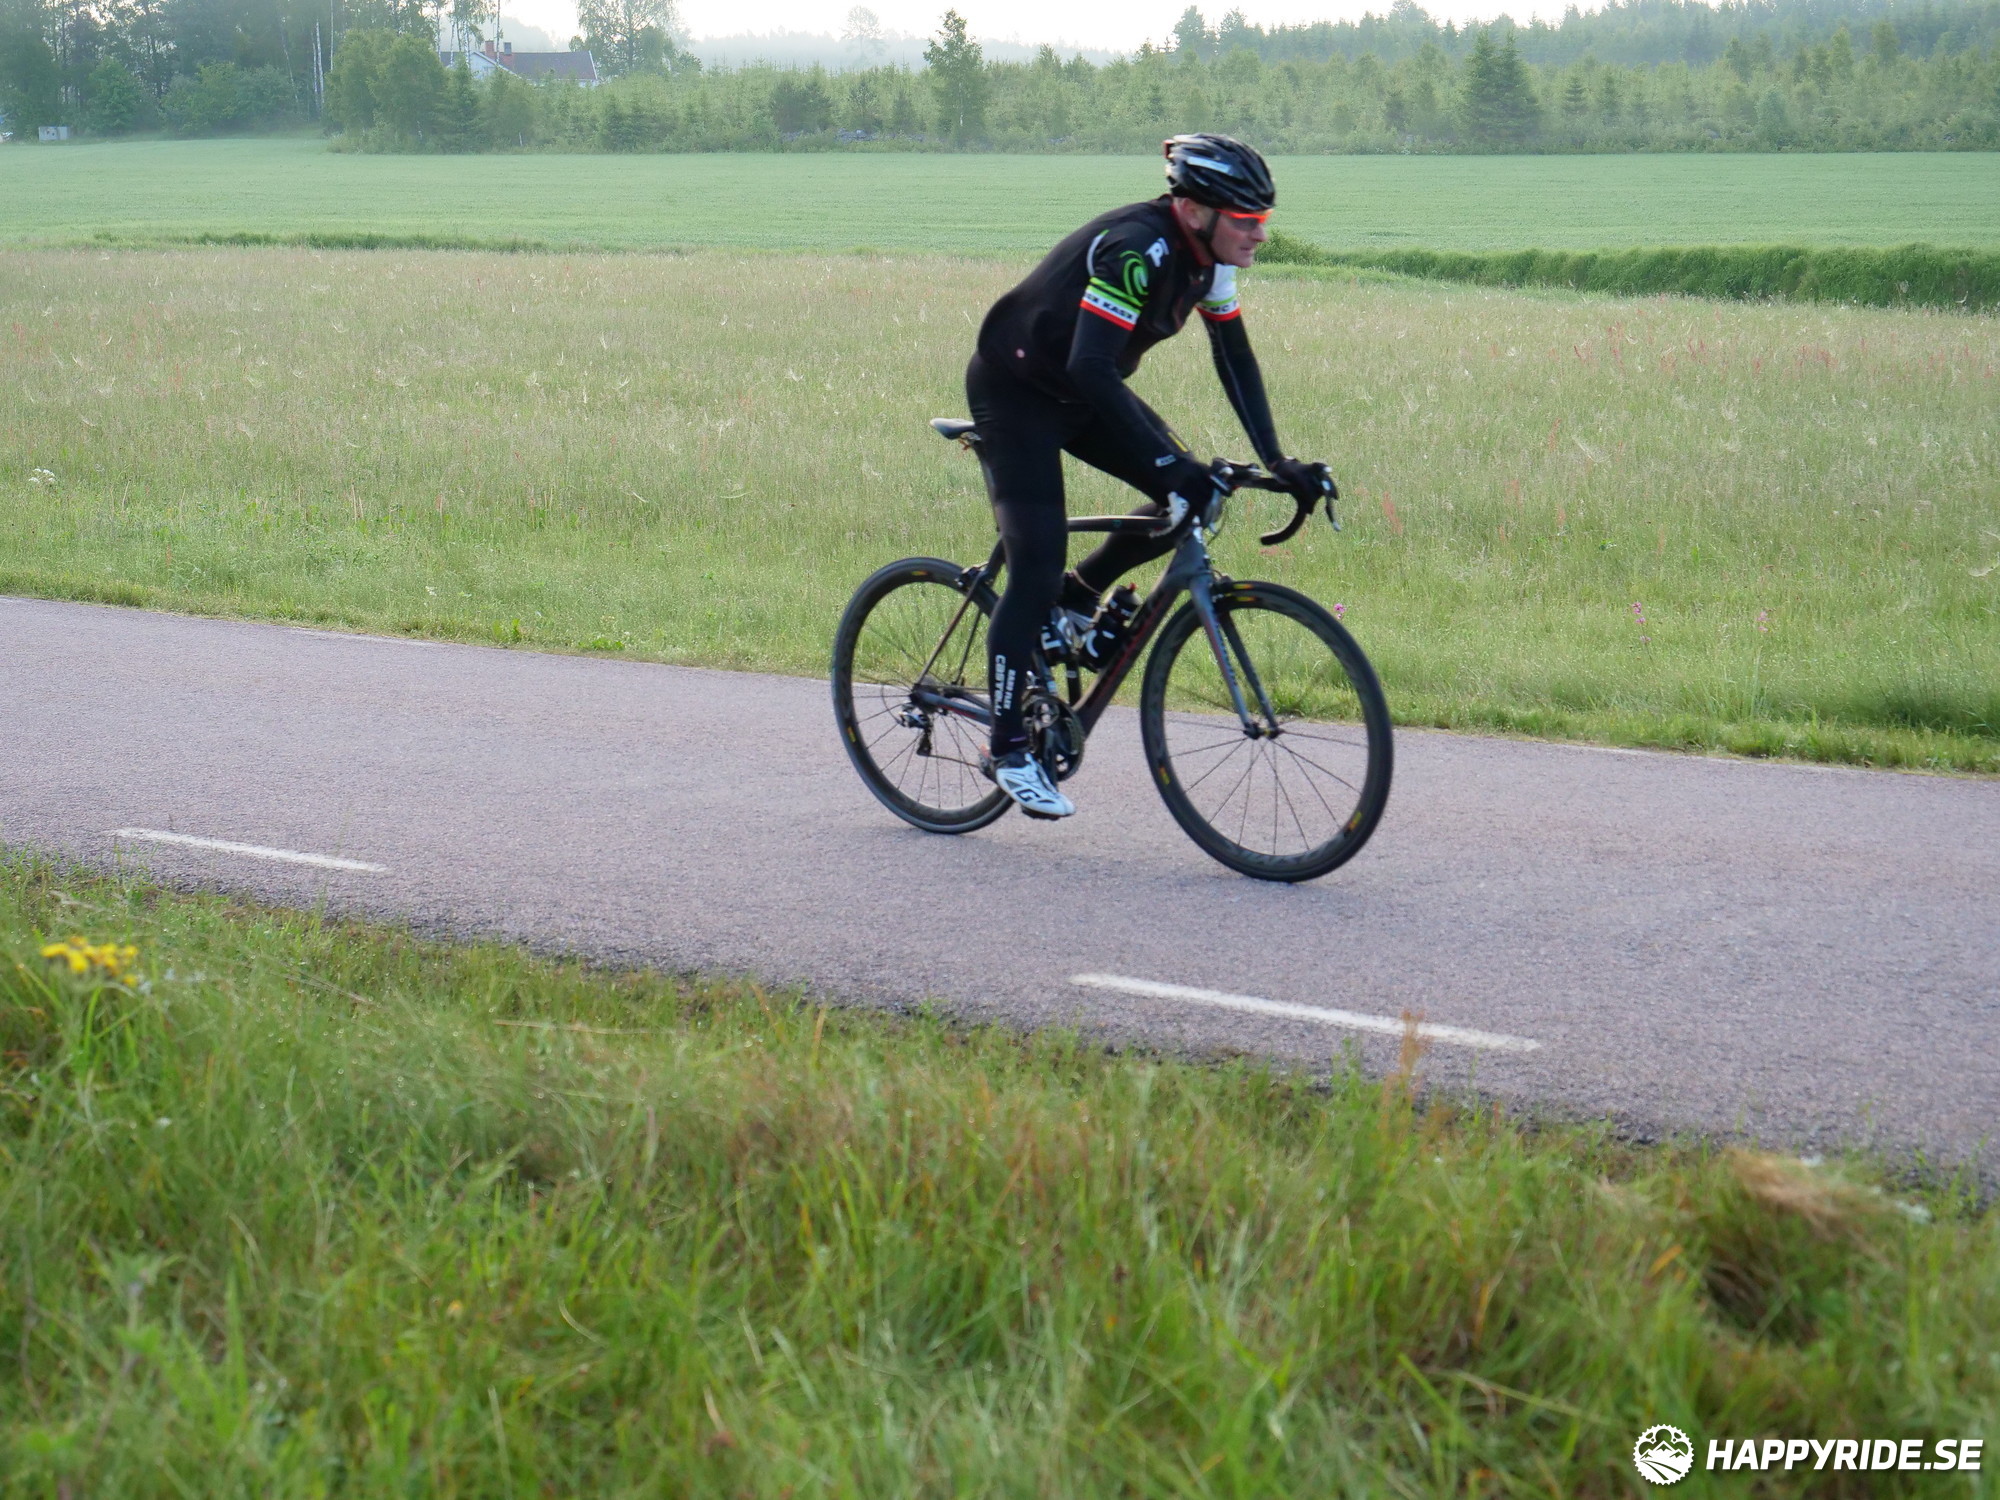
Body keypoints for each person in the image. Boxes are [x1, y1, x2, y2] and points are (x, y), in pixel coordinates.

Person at [964, 132, 1331, 820]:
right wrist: (1171, 465)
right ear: (1194, 210)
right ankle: (1009, 749)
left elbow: (1235, 360)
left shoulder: (1210, 263)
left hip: (1084, 391)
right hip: (1018, 395)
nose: (1259, 234)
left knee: (1194, 497)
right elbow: (1089, 364)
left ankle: (1079, 597)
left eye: (1264, 220)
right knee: (1034, 569)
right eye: (1246, 220)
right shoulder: (1137, 249)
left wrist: (1278, 460)